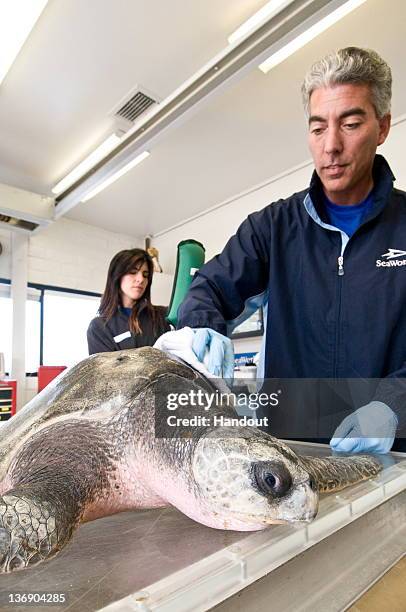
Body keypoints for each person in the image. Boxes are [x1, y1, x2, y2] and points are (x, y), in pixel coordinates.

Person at [159, 47, 406, 453]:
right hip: (291, 453)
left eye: (350, 123)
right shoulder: (273, 228)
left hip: (391, 455)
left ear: (382, 128)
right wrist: (202, 326)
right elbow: (209, 288)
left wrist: (393, 408)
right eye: (317, 128)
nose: (331, 146)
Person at [87, 248, 170, 354]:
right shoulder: (99, 327)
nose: (141, 279)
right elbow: (103, 370)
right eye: (133, 272)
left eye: (145, 274)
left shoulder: (162, 315)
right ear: (117, 276)